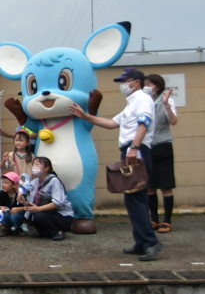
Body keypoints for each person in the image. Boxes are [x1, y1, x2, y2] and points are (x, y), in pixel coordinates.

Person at [69, 67, 162, 261]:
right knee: (132, 198)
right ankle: (142, 241)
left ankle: (151, 242)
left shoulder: (143, 99)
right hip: (131, 150)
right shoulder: (131, 103)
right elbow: (112, 123)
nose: (122, 85)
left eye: (124, 81)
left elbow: (144, 123)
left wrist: (135, 147)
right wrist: (85, 116)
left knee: (136, 197)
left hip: (136, 150)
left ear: (135, 82)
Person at [144, 74, 179, 233]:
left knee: (165, 186)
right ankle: (154, 219)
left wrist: (166, 105)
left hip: (163, 146)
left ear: (157, 86)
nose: (146, 86)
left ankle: (167, 221)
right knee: (150, 186)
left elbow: (173, 121)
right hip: (147, 147)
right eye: (145, 83)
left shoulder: (167, 101)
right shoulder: (143, 101)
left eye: (149, 84)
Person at [18, 157, 73, 240]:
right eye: (33, 164)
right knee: (32, 213)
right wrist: (24, 202)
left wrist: (38, 209)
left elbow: (57, 203)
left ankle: (58, 232)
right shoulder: (35, 182)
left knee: (39, 215)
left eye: (37, 164)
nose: (34, 167)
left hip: (63, 217)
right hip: (48, 213)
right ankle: (44, 232)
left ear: (46, 168)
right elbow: (33, 202)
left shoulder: (54, 181)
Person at [0, 172, 27, 236]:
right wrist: (1, 208)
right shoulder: (1, 193)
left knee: (14, 216)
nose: (3, 185)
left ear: (14, 185)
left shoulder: (20, 194)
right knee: (2, 215)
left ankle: (18, 228)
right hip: (7, 212)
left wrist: (19, 209)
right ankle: (7, 229)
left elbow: (27, 207)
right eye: (3, 182)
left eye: (6, 183)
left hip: (17, 214)